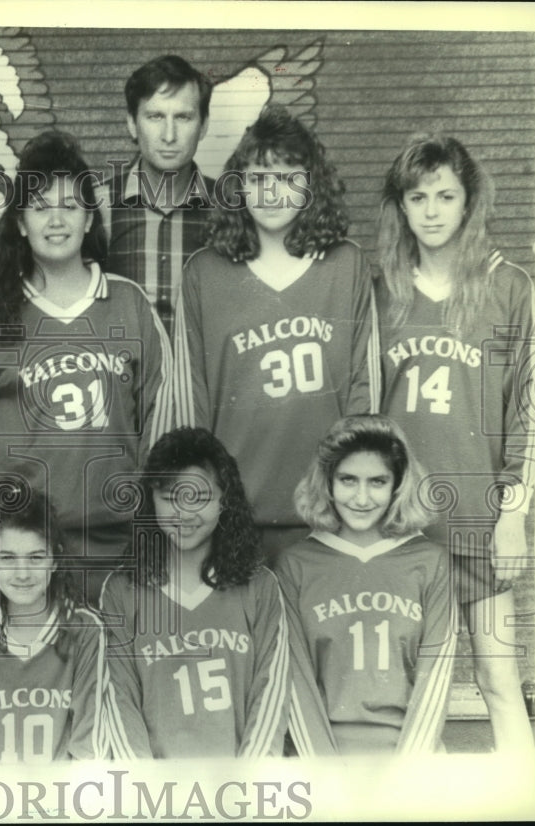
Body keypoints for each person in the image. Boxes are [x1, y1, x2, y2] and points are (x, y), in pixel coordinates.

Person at [0, 130, 173, 603]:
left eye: (69, 206)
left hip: (119, 545)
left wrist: (155, 520)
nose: (56, 220)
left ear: (90, 218)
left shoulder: (129, 304)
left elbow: (163, 418)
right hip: (25, 551)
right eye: (40, 206)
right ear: (20, 223)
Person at [374, 134, 534, 752]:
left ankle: (526, 799)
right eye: (418, 197)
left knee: (498, 675)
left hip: (477, 518)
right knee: (415, 690)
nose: (433, 210)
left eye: (446, 195)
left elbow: (528, 413)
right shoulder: (380, 289)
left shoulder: (508, 285)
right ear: (402, 206)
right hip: (402, 526)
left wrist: (513, 515)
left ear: (469, 202)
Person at [173, 104, 373, 560]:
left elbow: (364, 390)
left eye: (287, 178)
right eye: (259, 178)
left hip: (328, 513)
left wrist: (355, 493)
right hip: (235, 513)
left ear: (311, 186)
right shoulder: (204, 273)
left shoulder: (346, 265)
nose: (272, 193)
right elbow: (193, 399)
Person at [100, 427, 289, 759]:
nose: (184, 513)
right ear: (150, 499)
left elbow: (271, 693)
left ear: (224, 500)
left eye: (199, 497)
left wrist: (246, 785)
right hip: (156, 794)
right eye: (171, 497)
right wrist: (147, 790)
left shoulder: (260, 586)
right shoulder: (121, 590)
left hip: (240, 790)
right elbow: (119, 699)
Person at [276, 414, 456, 755]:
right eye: (348, 480)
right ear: (327, 483)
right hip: (321, 757)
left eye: (377, 482)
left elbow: (437, 675)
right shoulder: (295, 565)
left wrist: (407, 773)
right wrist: (326, 777)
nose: (361, 498)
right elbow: (295, 681)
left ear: (398, 485)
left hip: (408, 758)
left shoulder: (429, 561)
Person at [0, 483, 110, 762]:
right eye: (8, 558)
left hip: (65, 799)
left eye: (36, 558)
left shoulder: (85, 631)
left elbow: (89, 743)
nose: (22, 573)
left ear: (55, 559)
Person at [100, 54, 214, 336]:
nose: (169, 134)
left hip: (203, 378)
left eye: (184, 117)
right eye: (155, 116)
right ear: (131, 123)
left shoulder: (232, 206)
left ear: (204, 125)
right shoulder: (95, 205)